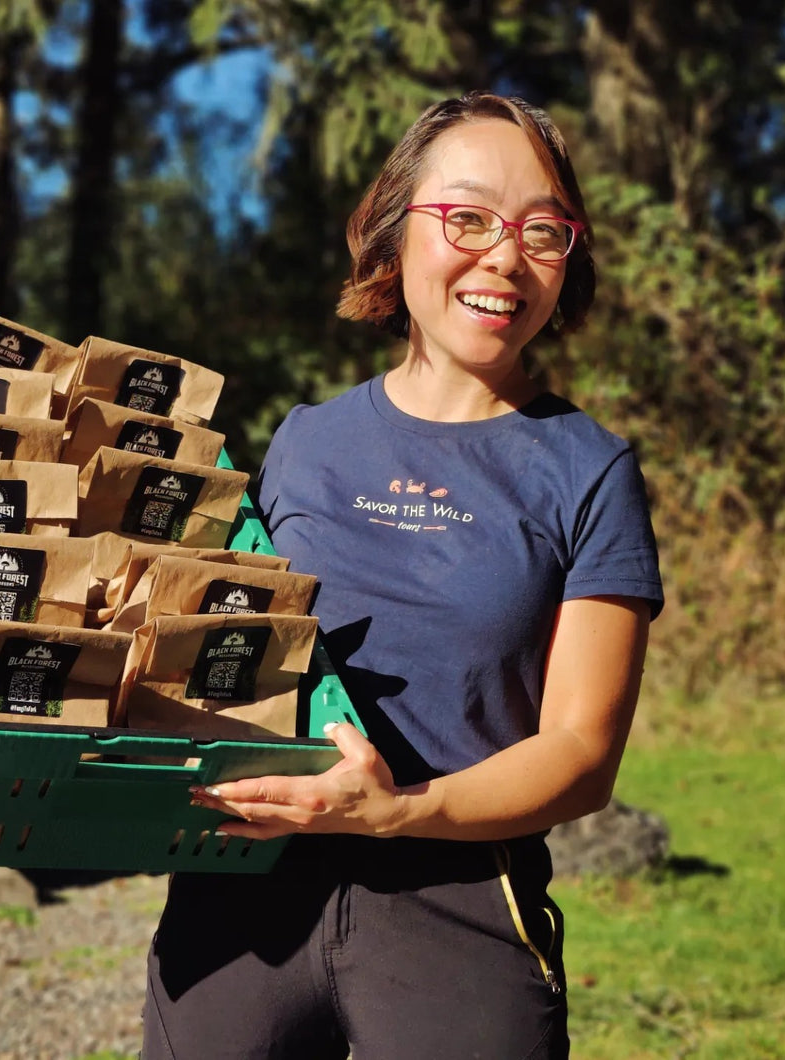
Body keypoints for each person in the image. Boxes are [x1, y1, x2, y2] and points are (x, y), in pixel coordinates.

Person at [140, 90, 664, 1060]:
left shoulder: (589, 471)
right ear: (392, 236)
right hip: (241, 891)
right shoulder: (304, 440)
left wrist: (401, 813)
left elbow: (583, 753)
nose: (504, 255)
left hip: (456, 901)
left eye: (542, 230)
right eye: (466, 217)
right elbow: (238, 650)